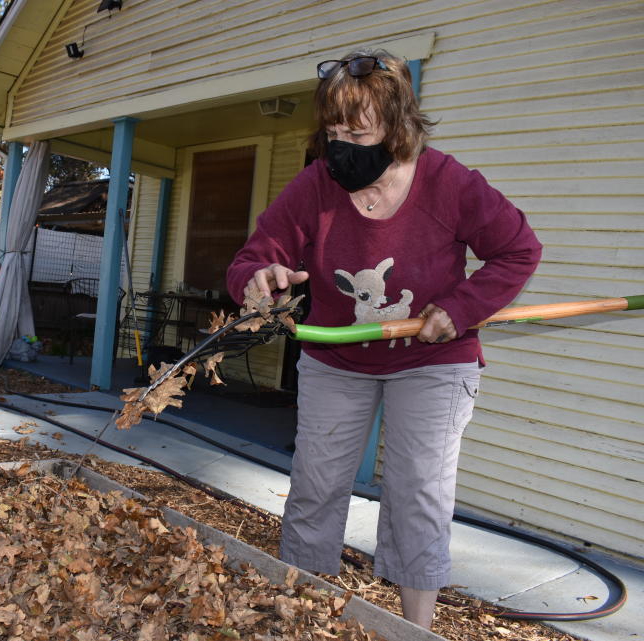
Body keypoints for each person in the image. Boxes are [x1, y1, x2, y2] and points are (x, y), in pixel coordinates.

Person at [226, 49, 542, 629]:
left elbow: (519, 250)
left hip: (433, 360)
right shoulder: (315, 186)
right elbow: (257, 254)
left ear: (397, 128)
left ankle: (415, 628)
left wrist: (461, 307)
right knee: (315, 487)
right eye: (332, 130)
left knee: (416, 494)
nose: (341, 144)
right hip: (336, 359)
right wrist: (259, 279)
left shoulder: (449, 184)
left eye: (358, 131)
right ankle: (299, 614)